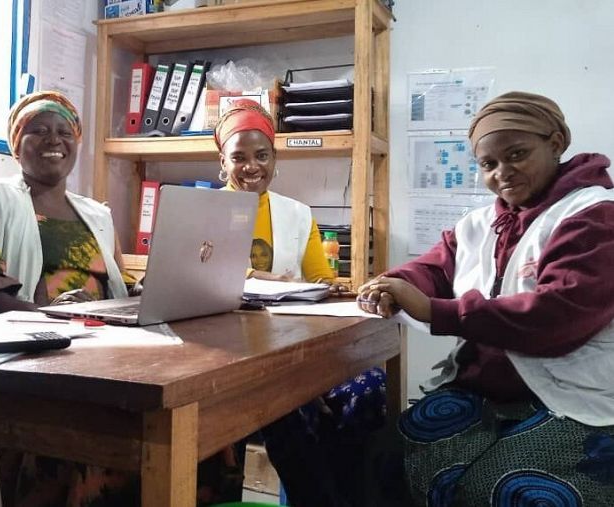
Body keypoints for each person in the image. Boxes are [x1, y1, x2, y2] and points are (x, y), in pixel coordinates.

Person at [0, 90, 243, 506]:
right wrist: (55, 321)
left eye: (64, 131)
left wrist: (158, 291)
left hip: (110, 349)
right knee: (92, 434)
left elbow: (118, 286)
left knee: (203, 414)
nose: (53, 140)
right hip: (34, 360)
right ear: (15, 142)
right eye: (37, 130)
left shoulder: (96, 213)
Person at [358, 91, 614, 505]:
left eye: (517, 154)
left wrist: (437, 311)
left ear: (555, 143)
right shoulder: (480, 223)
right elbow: (434, 269)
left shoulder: (593, 215)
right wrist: (393, 284)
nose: (502, 172)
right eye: (488, 164)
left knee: (501, 489)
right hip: (490, 391)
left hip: (573, 396)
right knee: (391, 455)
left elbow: (557, 317)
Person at [215, 99, 387, 506]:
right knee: (290, 410)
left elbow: (321, 281)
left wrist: (351, 290)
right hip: (232, 353)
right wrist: (260, 278)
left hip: (292, 346)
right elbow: (195, 279)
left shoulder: (296, 214)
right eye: (238, 157)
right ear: (222, 160)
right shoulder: (203, 210)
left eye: (262, 155)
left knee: (370, 391)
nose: (251, 167)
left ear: (275, 158)